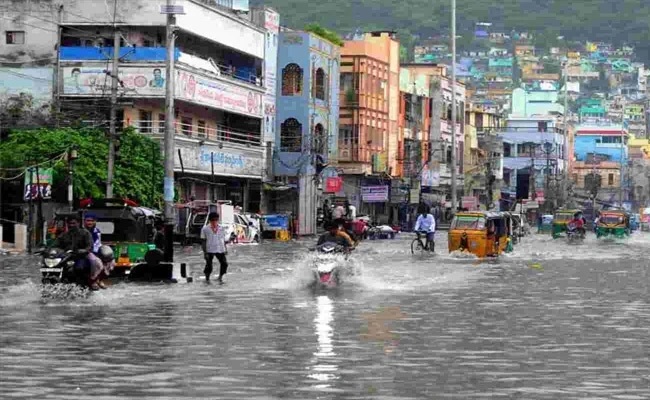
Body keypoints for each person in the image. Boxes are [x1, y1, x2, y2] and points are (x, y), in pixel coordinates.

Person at [200, 212, 228, 283]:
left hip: (220, 248)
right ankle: (207, 279)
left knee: (224, 263)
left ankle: (220, 277)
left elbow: (223, 239)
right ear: (210, 220)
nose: (214, 222)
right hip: (209, 249)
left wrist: (225, 249)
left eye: (216, 220)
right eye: (213, 220)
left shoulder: (221, 228)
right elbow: (203, 241)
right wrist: (205, 252)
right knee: (209, 265)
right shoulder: (205, 229)